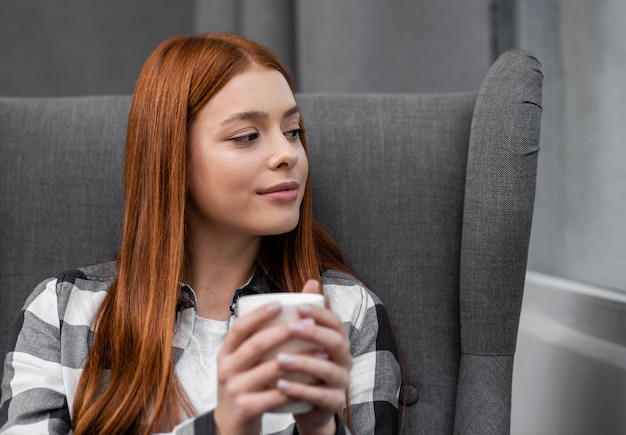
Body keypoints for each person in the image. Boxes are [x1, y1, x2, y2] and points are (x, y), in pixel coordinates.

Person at [0, 33, 401, 434]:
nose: (288, 154)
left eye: (293, 130)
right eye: (247, 136)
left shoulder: (348, 313)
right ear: (172, 157)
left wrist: (320, 428)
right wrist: (222, 427)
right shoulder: (62, 311)